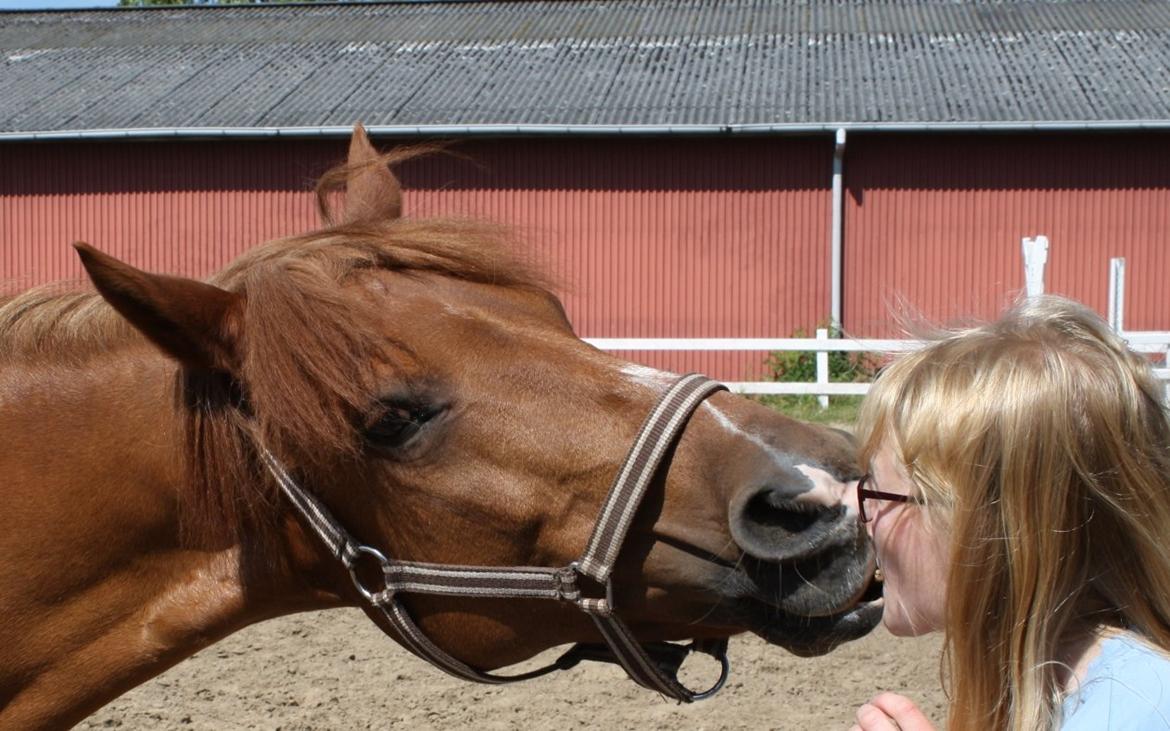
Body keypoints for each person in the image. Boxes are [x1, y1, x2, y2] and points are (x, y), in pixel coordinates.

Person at [848, 295, 1170, 731]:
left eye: (878, 491)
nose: (863, 513)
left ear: (980, 527)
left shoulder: (1136, 711)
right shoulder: (1083, 689)